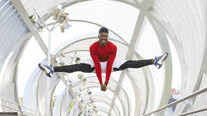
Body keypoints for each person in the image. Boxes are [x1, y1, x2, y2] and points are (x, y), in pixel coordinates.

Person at [39, 27, 168, 91]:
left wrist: (105, 83)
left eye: (106, 36)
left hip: (109, 64)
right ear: (98, 36)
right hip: (96, 65)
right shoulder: (92, 47)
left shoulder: (113, 47)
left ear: (108, 37)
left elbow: (110, 64)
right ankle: (52, 69)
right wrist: (101, 82)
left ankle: (154, 61)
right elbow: (97, 65)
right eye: (102, 36)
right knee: (78, 66)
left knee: (129, 63)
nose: (103, 38)